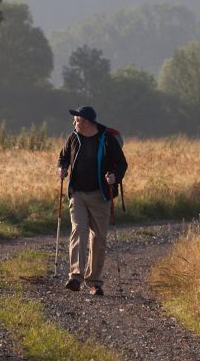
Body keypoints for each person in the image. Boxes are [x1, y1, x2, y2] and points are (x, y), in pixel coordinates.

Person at [56, 105, 128, 296]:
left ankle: (94, 282)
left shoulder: (107, 139)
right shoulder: (74, 137)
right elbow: (63, 157)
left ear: (87, 122)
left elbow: (121, 164)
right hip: (77, 193)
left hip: (100, 195)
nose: (74, 123)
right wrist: (62, 168)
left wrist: (114, 177)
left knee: (98, 238)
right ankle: (75, 277)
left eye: (77, 120)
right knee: (78, 229)